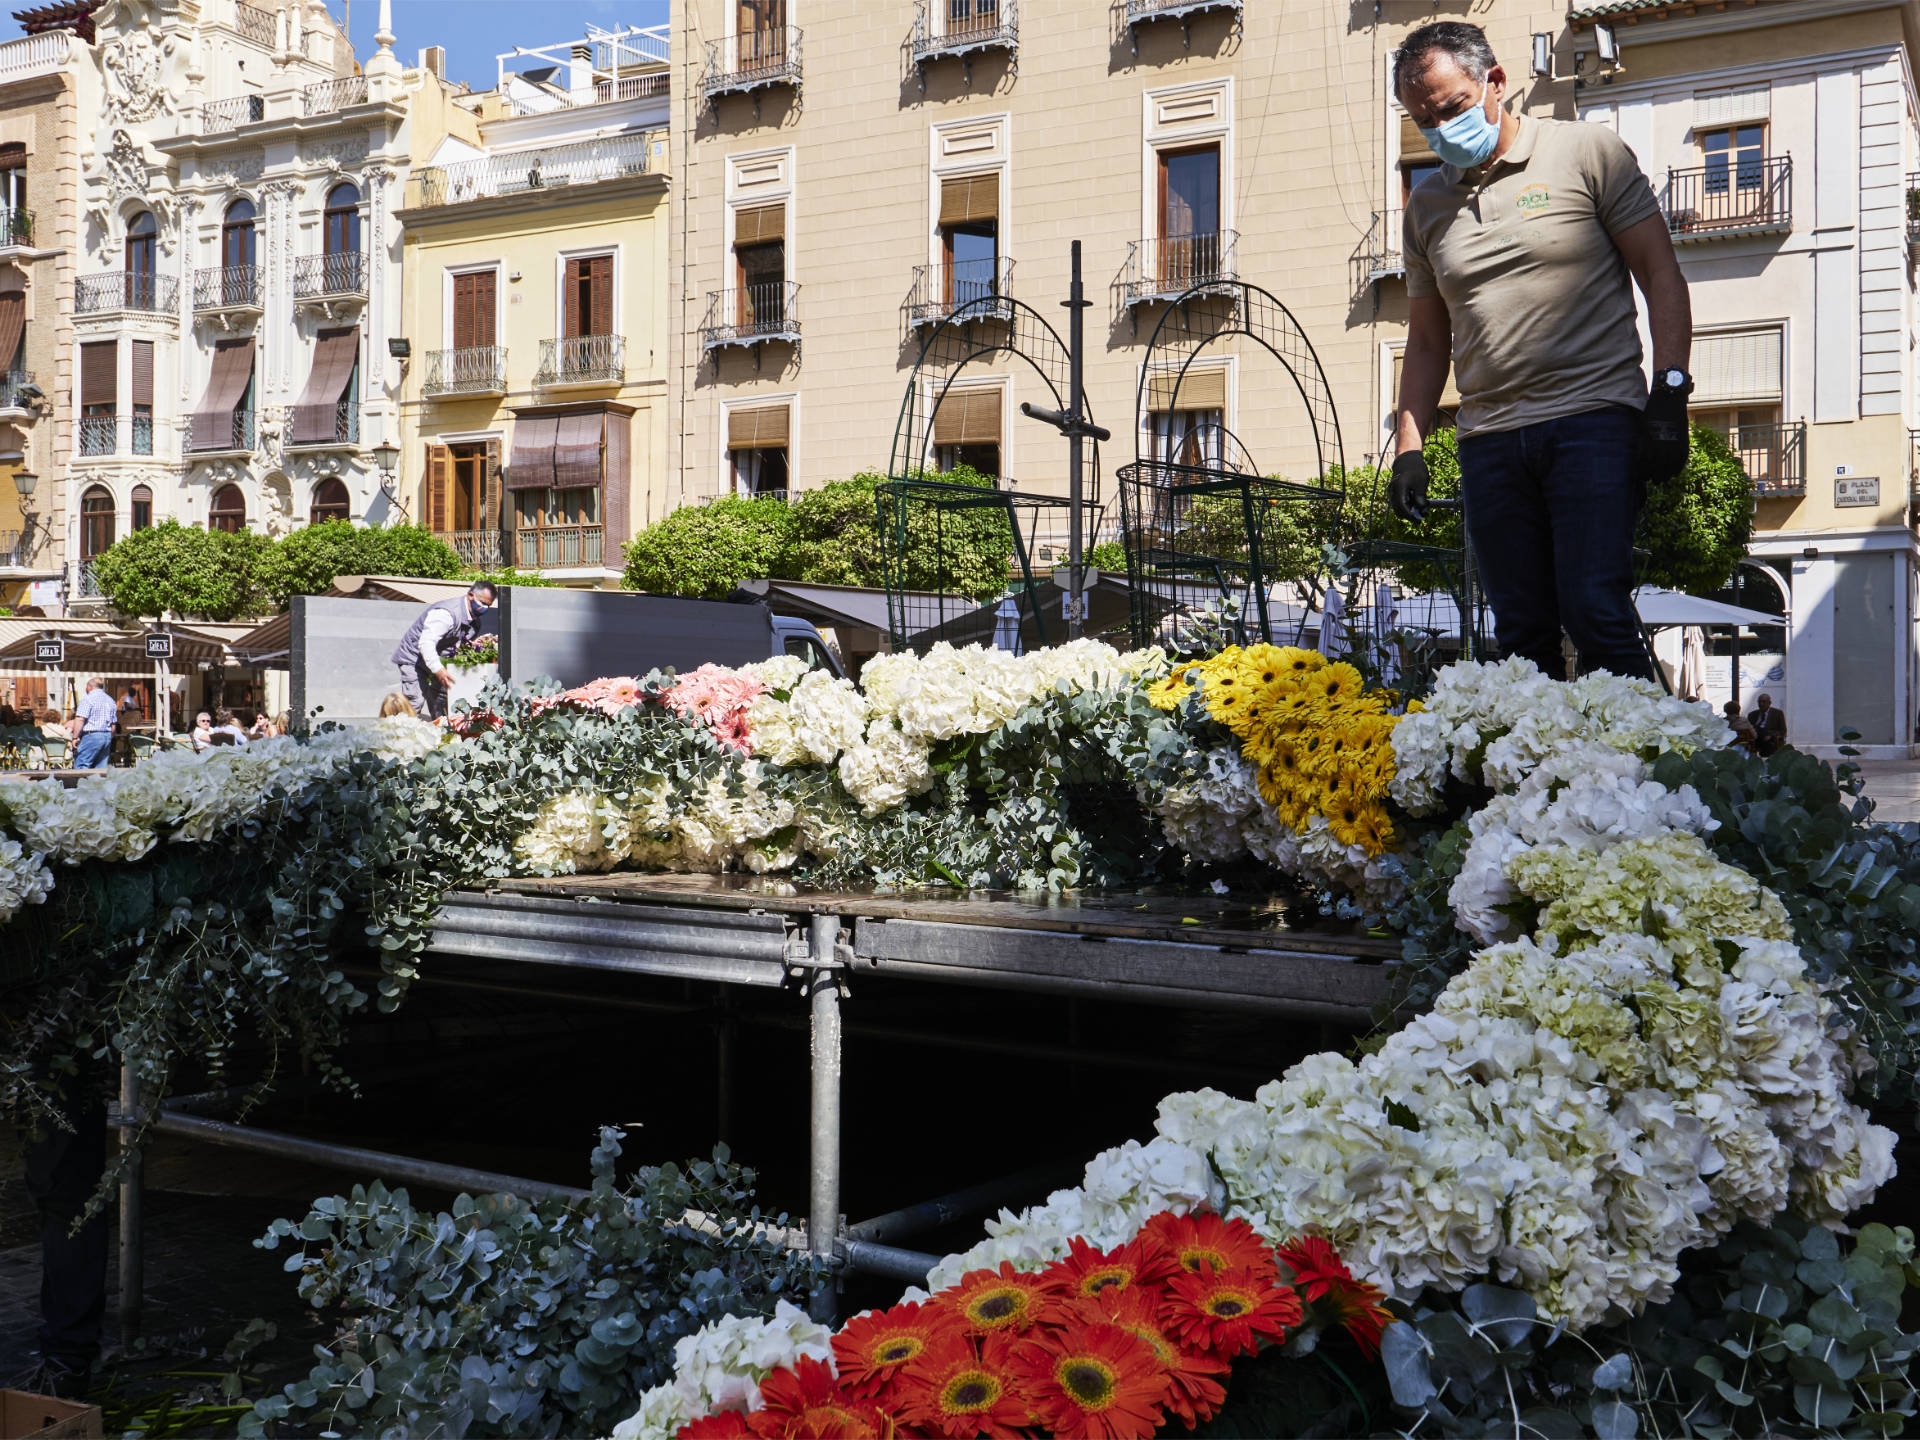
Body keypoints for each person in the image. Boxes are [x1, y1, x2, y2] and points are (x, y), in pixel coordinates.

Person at [1387, 21, 1693, 683]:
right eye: (1423, 119)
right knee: (1520, 631)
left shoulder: (1587, 152)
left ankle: (1659, 776)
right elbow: (1427, 339)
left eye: (1451, 108)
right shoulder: (1427, 208)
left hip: (1593, 420)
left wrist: (1669, 393)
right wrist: (1409, 446)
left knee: (1593, 608)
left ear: (1494, 82)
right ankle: (1541, 782)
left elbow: (1660, 274)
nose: (1440, 128)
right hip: (1490, 439)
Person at [390, 580, 495, 721]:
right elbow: (426, 642)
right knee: (414, 701)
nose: (484, 608)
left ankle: (440, 734)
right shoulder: (446, 613)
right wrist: (438, 669)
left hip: (439, 660)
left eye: (488, 605)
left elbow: (459, 646)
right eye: (481, 603)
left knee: (443, 701)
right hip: (414, 658)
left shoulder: (475, 623)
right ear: (470, 595)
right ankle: (401, 738)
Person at [70, 678, 117, 769]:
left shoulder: (88, 699)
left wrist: (75, 737)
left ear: (89, 687)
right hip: (106, 735)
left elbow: (80, 719)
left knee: (82, 764)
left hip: (92, 735)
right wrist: (110, 737)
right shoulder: (110, 700)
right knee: (100, 768)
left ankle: (81, 783)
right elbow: (113, 724)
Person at [1750, 692, 1786, 757]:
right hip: (1756, 736)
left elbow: (1783, 731)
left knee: (1768, 743)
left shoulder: (1777, 713)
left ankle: (1765, 759)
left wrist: (1771, 735)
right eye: (1759, 702)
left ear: (1769, 703)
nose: (1761, 704)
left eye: (1764, 702)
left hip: (1770, 737)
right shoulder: (1752, 714)